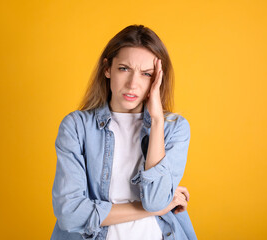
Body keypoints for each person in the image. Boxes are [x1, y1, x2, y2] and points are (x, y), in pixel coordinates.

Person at [50, 24, 197, 240]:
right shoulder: (77, 127)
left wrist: (156, 121)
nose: (133, 84)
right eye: (124, 68)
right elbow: (69, 214)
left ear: (158, 79)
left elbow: (155, 199)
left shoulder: (174, 128)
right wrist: (155, 208)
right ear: (107, 68)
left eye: (146, 74)